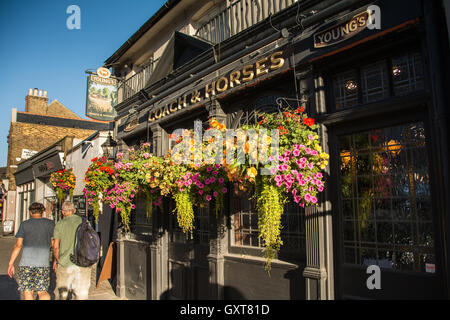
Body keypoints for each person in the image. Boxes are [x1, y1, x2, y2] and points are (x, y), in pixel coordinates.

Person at [7, 202, 54, 300]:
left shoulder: (24, 224)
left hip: (26, 263)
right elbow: (54, 244)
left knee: (28, 290)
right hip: (43, 263)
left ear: (30, 212)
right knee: (43, 291)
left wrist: (11, 263)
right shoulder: (50, 224)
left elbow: (18, 245)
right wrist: (56, 260)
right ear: (43, 212)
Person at [52, 201, 91, 300]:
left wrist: (56, 261)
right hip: (82, 262)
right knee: (82, 295)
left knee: (63, 295)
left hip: (65, 263)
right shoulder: (85, 222)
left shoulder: (60, 224)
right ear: (74, 210)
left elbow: (56, 246)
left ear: (62, 212)